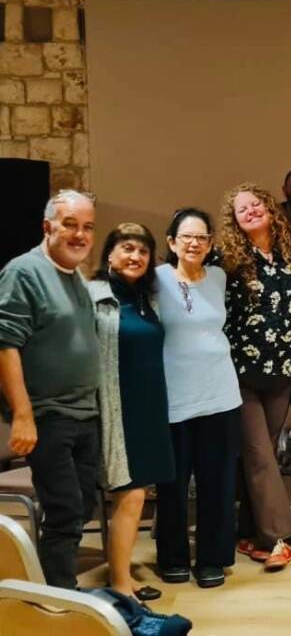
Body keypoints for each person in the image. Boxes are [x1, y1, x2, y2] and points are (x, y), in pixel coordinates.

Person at [0, 189, 99, 589]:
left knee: (82, 505)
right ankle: (57, 600)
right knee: (65, 510)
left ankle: (44, 581)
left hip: (85, 413)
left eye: (88, 227)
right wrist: (23, 415)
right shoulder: (23, 271)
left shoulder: (75, 276)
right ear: (47, 226)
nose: (80, 234)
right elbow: (5, 344)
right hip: (46, 414)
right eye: (70, 224)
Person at [219, 182, 291, 571]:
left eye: (256, 204)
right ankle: (279, 538)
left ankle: (250, 533)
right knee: (259, 454)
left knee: (261, 456)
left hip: (284, 371)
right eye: (242, 209)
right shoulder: (226, 260)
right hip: (241, 373)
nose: (251, 211)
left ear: (271, 209)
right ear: (235, 221)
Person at [154, 208, 242, 589]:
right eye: (186, 237)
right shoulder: (155, 279)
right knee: (172, 484)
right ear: (172, 242)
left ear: (210, 244)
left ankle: (211, 558)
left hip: (221, 396)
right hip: (174, 397)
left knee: (217, 483)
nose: (194, 243)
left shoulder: (219, 277)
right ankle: (173, 557)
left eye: (201, 237)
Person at [89, 223, 175, 600]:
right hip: (116, 408)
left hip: (148, 407)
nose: (135, 256)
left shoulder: (148, 298)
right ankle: (121, 583)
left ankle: (122, 576)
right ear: (109, 254)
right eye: (126, 248)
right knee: (130, 494)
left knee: (135, 495)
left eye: (142, 251)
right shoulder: (94, 295)